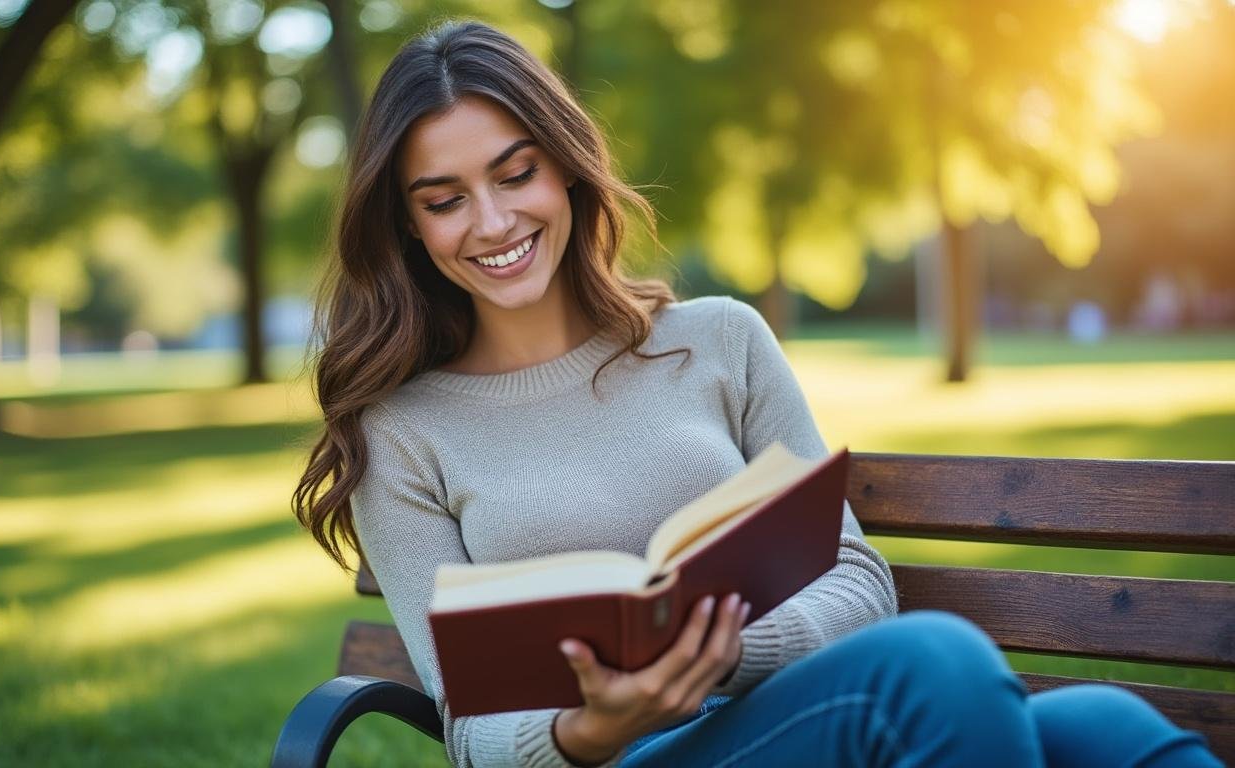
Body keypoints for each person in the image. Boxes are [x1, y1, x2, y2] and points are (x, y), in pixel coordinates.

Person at [292, 19, 1223, 768]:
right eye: (444, 198)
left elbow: (856, 579)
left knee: (1106, 731)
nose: (491, 222)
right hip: (615, 762)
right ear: (408, 224)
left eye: (515, 173)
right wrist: (593, 729)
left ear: (567, 166)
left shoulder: (720, 341)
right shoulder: (402, 433)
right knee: (936, 665)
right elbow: (469, 726)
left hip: (782, 718)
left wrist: (723, 656)